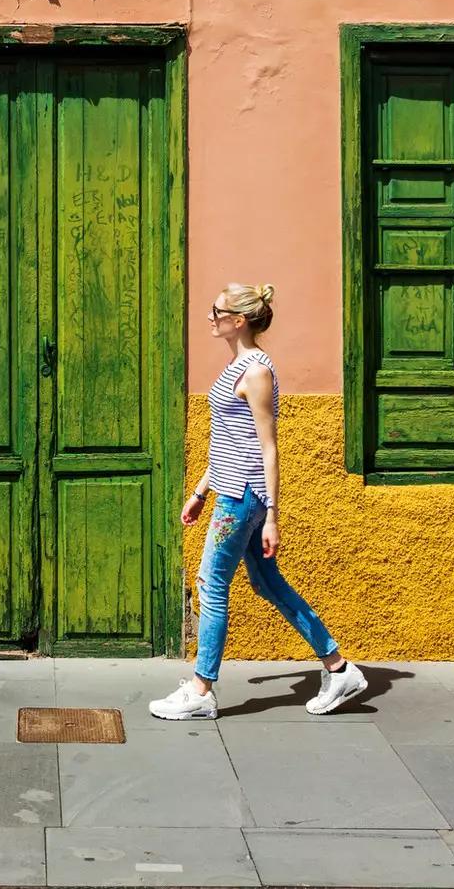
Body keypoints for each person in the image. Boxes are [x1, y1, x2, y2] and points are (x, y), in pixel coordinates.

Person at [150, 283, 366, 720]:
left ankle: (201, 691)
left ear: (239, 320)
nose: (210, 317)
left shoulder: (256, 372)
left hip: (243, 498)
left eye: (218, 311)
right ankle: (338, 668)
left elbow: (267, 447)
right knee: (267, 584)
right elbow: (230, 442)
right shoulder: (236, 366)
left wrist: (272, 517)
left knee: (210, 586)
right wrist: (199, 491)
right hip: (229, 491)